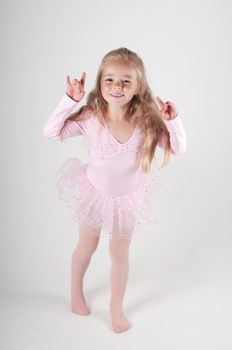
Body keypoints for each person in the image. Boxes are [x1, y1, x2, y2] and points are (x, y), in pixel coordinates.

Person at [42, 47, 187, 333]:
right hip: (93, 194)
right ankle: (75, 292)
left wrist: (173, 120)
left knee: (119, 254)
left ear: (138, 87)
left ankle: (115, 309)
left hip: (128, 199)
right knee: (87, 245)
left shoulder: (146, 122)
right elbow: (50, 131)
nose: (116, 86)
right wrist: (69, 99)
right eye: (109, 79)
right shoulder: (91, 117)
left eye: (125, 81)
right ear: (99, 83)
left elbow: (178, 148)